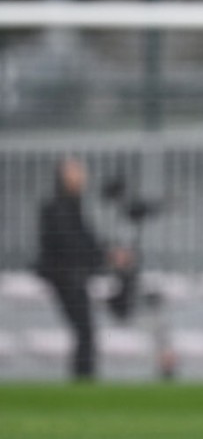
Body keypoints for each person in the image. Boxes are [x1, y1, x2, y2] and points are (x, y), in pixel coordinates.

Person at [36, 157, 132, 380]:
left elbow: (85, 240)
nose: (82, 177)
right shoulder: (57, 208)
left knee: (85, 331)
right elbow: (71, 243)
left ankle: (83, 380)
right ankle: (82, 380)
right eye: (75, 172)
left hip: (73, 276)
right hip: (65, 277)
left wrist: (108, 254)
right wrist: (106, 256)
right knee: (85, 330)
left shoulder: (72, 206)